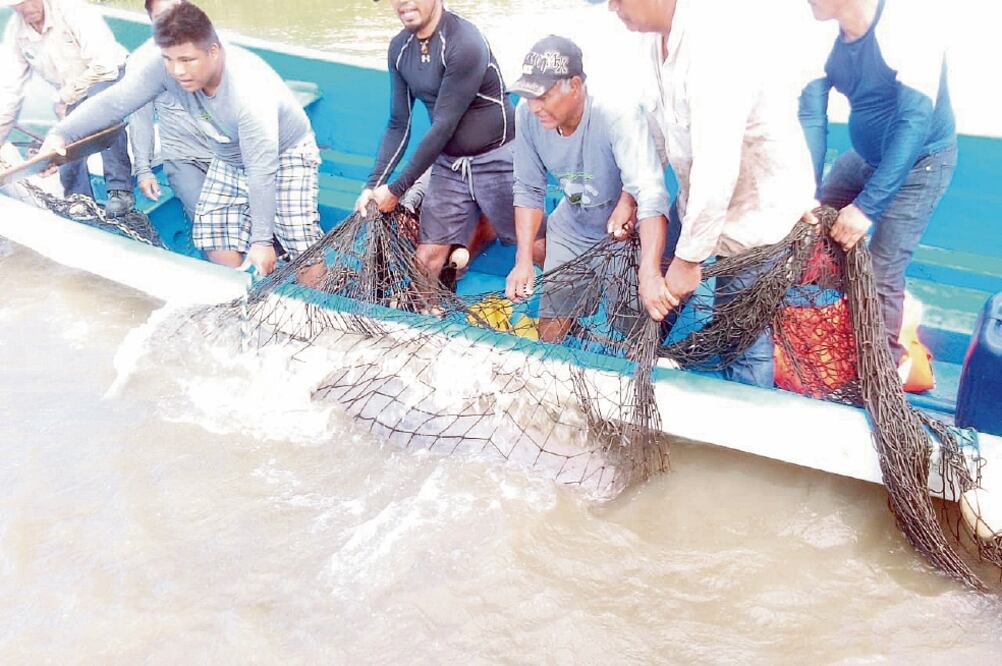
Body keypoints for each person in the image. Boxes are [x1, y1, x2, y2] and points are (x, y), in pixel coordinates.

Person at [600, 0, 818, 387]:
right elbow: (657, 131)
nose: (611, 8)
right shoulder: (653, 40)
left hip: (755, 207)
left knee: (740, 331)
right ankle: (642, 366)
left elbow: (718, 167)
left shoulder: (715, 43)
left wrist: (689, 258)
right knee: (655, 289)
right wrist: (629, 196)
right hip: (697, 196)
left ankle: (747, 408)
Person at [40, 2, 322, 276]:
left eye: (188, 60)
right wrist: (61, 134)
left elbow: (261, 171)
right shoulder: (166, 67)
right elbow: (114, 102)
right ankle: (246, 291)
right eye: (169, 60)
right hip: (229, 153)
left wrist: (261, 240)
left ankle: (319, 294)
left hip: (284, 154)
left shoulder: (248, 93)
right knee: (211, 234)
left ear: (214, 51)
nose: (178, 71)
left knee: (301, 245)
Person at [800, 0, 957, 374]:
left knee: (881, 270)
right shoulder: (817, 30)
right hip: (863, 157)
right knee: (808, 230)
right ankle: (826, 324)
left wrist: (866, 208)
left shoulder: (907, 25)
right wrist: (806, 191)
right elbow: (812, 117)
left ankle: (882, 371)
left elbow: (913, 123)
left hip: (922, 162)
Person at [504, 35, 673, 343]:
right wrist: (523, 259)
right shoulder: (526, 115)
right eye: (528, 96)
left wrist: (649, 272)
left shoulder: (615, 112)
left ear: (575, 86)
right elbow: (528, 188)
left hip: (622, 236)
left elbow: (651, 192)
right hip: (572, 226)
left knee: (634, 329)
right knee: (551, 325)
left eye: (543, 96)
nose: (535, 106)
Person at [356, 0, 523, 288]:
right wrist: (374, 185)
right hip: (448, 161)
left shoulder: (464, 42)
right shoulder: (399, 48)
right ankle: (427, 310)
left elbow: (444, 125)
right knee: (426, 260)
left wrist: (396, 189)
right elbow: (399, 123)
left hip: (498, 156)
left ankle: (571, 297)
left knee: (534, 243)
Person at [0, 0, 134, 216]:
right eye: (18, 5)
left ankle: (120, 190)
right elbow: (10, 91)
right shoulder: (16, 32)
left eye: (28, 1)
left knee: (103, 114)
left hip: (109, 75)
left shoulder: (74, 11)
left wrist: (65, 97)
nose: (25, 9)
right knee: (66, 141)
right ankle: (79, 200)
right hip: (72, 90)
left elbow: (105, 66)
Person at [130, 0, 214, 225]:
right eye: (162, 17)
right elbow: (140, 119)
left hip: (224, 151)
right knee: (207, 223)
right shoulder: (142, 62)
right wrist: (144, 170)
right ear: (151, 20)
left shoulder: (212, 46)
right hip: (183, 157)